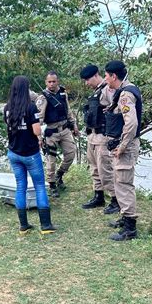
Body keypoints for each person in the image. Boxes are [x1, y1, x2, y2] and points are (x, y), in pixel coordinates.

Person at [4, 76, 57, 235]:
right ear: (25, 89)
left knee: (21, 186)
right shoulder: (31, 107)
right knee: (40, 185)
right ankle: (45, 225)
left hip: (14, 152)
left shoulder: (7, 108)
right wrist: (40, 132)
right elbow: (36, 131)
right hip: (30, 154)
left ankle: (23, 226)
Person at [104, 60, 143, 240]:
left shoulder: (126, 94)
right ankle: (124, 217)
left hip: (126, 146)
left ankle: (130, 229)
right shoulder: (127, 88)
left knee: (124, 184)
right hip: (124, 144)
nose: (105, 79)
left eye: (106, 75)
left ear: (113, 76)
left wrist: (122, 146)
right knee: (119, 182)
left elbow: (132, 123)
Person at [80, 64, 119, 214]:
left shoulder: (108, 90)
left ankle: (115, 200)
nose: (86, 83)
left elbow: (117, 112)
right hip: (92, 135)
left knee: (105, 171)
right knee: (94, 168)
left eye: (88, 80)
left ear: (96, 75)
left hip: (103, 136)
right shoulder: (96, 91)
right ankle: (99, 196)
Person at [36, 71, 79, 197]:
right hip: (51, 132)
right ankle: (52, 184)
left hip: (65, 129)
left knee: (71, 153)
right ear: (46, 82)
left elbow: (68, 110)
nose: (51, 84)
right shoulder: (43, 97)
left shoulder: (62, 93)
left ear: (57, 81)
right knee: (51, 160)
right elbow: (39, 118)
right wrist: (39, 136)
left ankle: (59, 175)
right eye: (49, 82)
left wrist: (74, 125)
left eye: (54, 81)